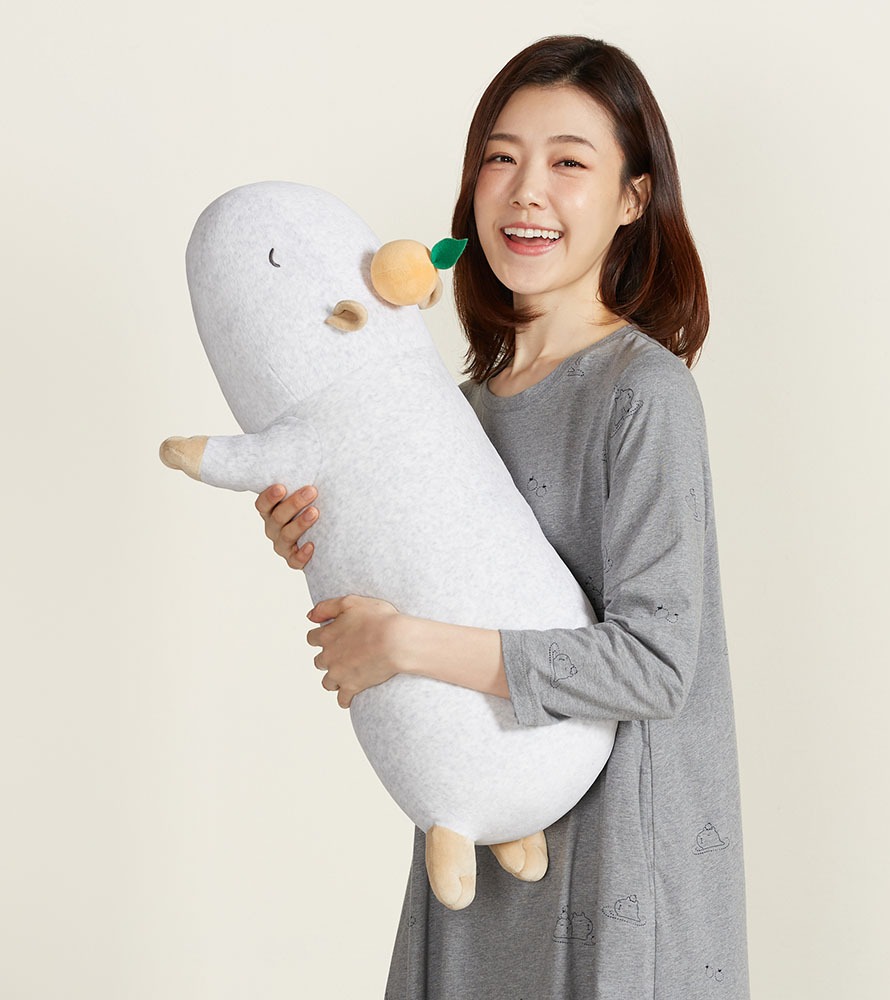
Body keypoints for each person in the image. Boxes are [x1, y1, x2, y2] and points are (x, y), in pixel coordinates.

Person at [256, 35, 749, 1000]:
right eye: (501, 157)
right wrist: (317, 534)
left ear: (633, 199)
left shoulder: (643, 395)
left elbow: (655, 666)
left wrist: (404, 641)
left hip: (618, 872)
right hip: (476, 857)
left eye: (569, 163)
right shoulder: (460, 414)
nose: (526, 192)